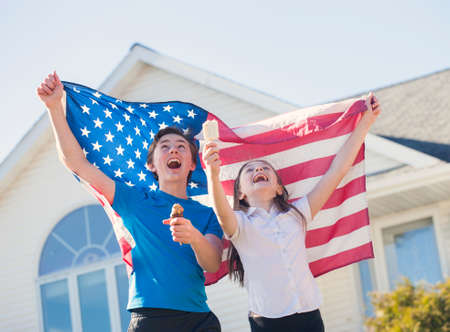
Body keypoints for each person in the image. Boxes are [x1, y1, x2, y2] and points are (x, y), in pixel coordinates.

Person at [37, 72, 223, 332]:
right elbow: (76, 163)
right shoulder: (134, 199)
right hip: (150, 318)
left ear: (193, 164)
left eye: (182, 147)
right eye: (165, 146)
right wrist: (55, 107)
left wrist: (193, 236)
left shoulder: (206, 215)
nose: (173, 150)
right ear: (151, 165)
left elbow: (212, 263)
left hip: (199, 320)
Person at [202, 94, 381, 332]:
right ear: (241, 194)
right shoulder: (240, 224)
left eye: (265, 168)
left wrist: (366, 122)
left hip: (309, 315)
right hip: (267, 321)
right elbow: (221, 211)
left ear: (278, 187)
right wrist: (212, 174)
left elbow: (337, 171)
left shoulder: (298, 215)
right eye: (250, 170)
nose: (259, 169)